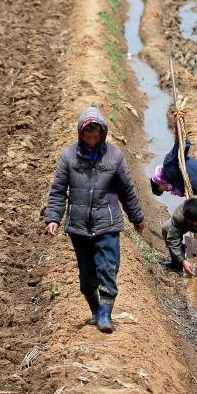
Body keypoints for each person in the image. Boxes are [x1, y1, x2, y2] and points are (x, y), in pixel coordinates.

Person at [45, 107, 145, 333]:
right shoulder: (68, 157)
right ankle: (96, 310)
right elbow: (58, 191)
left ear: (103, 134)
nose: (92, 140)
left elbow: (127, 191)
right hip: (79, 227)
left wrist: (137, 217)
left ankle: (106, 315)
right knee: (87, 277)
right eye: (87, 136)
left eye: (96, 136)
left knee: (108, 269)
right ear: (81, 134)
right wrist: (53, 218)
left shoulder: (115, 157)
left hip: (107, 224)